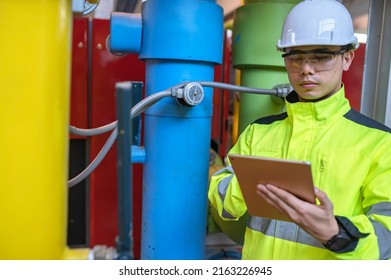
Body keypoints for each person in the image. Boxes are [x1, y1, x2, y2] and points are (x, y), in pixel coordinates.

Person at [208, 0, 391, 260]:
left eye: (322, 56)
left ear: (347, 58)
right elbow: (223, 201)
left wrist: (337, 233)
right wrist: (251, 184)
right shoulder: (257, 132)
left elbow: (387, 238)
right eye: (295, 57)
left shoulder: (380, 143)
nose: (306, 69)